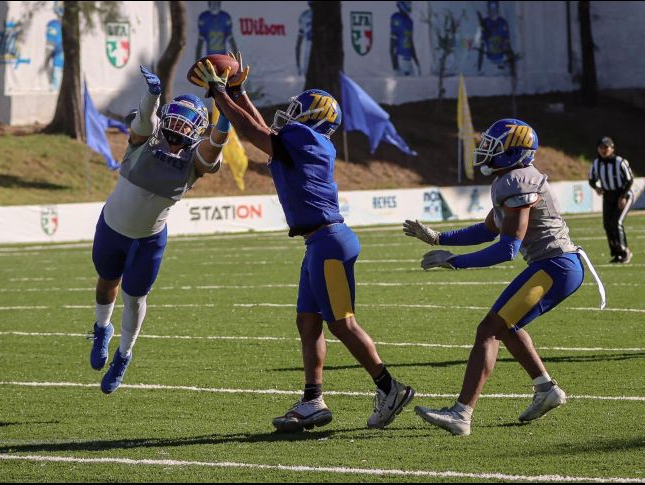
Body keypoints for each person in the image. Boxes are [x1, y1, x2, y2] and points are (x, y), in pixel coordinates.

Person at [193, 53, 415, 433]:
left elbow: (252, 132)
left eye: (299, 110)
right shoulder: (305, 139)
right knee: (308, 322)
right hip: (320, 243)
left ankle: (389, 388)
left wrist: (219, 93)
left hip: (328, 242)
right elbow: (260, 127)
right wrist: (237, 91)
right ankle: (313, 400)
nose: (289, 115)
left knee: (342, 325)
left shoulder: (304, 138)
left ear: (313, 118)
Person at [404, 119, 605, 436]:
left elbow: (507, 248)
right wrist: (439, 239)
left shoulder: (518, 181)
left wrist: (457, 262)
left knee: (489, 330)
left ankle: (461, 414)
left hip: (556, 266)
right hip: (553, 265)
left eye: (492, 146)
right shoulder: (508, 179)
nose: (484, 149)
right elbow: (487, 229)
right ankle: (545, 388)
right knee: (508, 327)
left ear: (512, 152)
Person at [88, 66, 227, 394]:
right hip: (113, 226)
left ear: (196, 130)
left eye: (184, 123)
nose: (177, 128)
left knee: (135, 297)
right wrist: (152, 94)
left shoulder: (196, 160)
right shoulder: (145, 137)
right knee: (107, 281)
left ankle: (124, 354)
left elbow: (215, 146)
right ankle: (101, 328)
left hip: (148, 240)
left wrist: (227, 116)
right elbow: (144, 120)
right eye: (174, 119)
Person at [588, 136, 635, 264]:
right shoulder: (596, 163)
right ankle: (616, 254)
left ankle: (625, 251)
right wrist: (596, 187)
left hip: (623, 195)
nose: (604, 150)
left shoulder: (620, 162)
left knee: (616, 223)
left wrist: (623, 196)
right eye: (601, 147)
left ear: (612, 148)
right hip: (608, 196)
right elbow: (592, 179)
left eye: (606, 147)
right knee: (607, 225)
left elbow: (630, 180)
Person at [476, 0, 513, 76]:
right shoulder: (484, 22)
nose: (493, 10)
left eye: (494, 7)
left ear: (498, 7)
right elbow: (481, 45)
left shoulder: (503, 22)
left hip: (501, 60)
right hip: (488, 62)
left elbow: (507, 44)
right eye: (490, 7)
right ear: (487, 8)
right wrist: (479, 67)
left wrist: (510, 63)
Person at [390, 1, 421, 76]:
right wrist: (395, 65)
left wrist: (416, 60)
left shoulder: (409, 20)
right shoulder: (396, 18)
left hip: (409, 59)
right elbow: (392, 43)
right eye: (407, 2)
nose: (409, 5)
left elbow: (410, 41)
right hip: (400, 58)